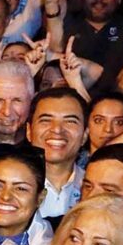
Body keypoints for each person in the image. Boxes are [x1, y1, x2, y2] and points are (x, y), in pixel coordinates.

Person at [26, 88, 89, 218]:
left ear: (85, 135)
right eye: (46, 120)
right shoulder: (5, 183)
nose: (57, 129)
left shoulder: (96, 188)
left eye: (70, 121)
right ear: (29, 131)